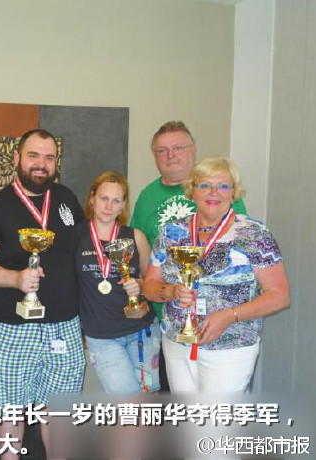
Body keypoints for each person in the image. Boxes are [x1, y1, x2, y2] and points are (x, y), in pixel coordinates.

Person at [0, 128, 85, 459]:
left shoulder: (66, 198)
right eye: (33, 155)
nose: (41, 164)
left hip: (64, 326)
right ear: (18, 158)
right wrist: (16, 279)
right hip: (14, 328)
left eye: (49, 158)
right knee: (12, 412)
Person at [142, 157, 289, 392]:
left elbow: (279, 296)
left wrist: (229, 315)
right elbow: (150, 284)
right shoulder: (171, 232)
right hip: (177, 342)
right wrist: (169, 291)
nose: (214, 192)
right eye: (205, 185)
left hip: (230, 347)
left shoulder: (254, 234)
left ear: (234, 192)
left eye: (223, 186)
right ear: (192, 191)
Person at [130, 120, 248, 390]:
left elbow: (242, 248)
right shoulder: (147, 196)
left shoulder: (220, 191)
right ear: (155, 156)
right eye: (162, 150)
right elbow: (139, 248)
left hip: (220, 323)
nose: (170, 155)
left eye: (178, 148)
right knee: (173, 399)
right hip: (167, 318)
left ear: (193, 151)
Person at [76, 171, 160, 394]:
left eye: (116, 200)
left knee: (149, 396)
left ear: (123, 204)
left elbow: (152, 282)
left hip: (142, 329)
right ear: (92, 198)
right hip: (102, 335)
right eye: (103, 198)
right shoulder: (76, 236)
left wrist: (139, 285)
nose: (108, 206)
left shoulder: (135, 236)